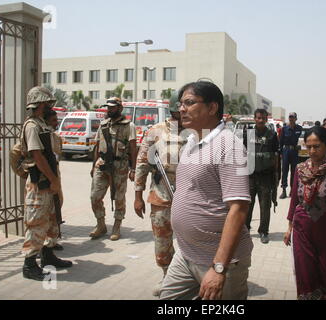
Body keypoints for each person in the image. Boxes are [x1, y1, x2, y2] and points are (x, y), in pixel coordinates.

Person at [160, 81, 253, 300]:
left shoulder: (229, 146)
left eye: (189, 103)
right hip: (186, 253)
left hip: (219, 262)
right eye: (181, 103)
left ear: (212, 108)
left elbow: (238, 209)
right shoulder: (192, 141)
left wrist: (219, 268)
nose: (181, 108)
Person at [283, 126, 326, 300]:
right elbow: (294, 201)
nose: (312, 151)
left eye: (317, 146)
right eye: (309, 146)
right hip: (302, 232)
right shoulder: (300, 169)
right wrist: (289, 227)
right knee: (306, 277)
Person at [134, 93, 187, 296]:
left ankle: (187, 277)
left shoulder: (196, 132)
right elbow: (141, 163)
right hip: (161, 194)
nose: (183, 112)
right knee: (162, 241)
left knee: (189, 239)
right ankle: (167, 276)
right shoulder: (155, 131)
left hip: (188, 196)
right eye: (180, 108)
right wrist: (138, 195)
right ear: (173, 109)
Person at [21, 86, 72, 281]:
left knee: (51, 220)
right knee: (36, 223)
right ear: (40, 103)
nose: (49, 105)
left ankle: (48, 255)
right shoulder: (32, 126)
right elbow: (37, 156)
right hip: (40, 183)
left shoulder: (42, 124)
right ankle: (29, 264)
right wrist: (53, 179)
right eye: (46, 102)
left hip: (47, 183)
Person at [89, 97, 137, 241]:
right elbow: (97, 146)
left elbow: (133, 149)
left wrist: (133, 169)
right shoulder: (103, 124)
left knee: (119, 198)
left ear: (120, 108)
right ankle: (101, 224)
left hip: (119, 166)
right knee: (94, 196)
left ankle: (117, 226)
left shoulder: (129, 126)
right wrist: (93, 165)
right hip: (102, 164)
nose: (109, 110)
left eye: (112, 107)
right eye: (108, 107)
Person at [243, 109, 280, 244]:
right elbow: (243, 153)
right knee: (247, 205)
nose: (260, 120)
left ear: (266, 119)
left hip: (265, 177)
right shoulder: (248, 133)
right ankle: (245, 230)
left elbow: (276, 156)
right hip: (250, 176)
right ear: (254, 118)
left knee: (265, 206)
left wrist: (277, 177)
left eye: (263, 118)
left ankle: (264, 231)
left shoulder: (272, 135)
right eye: (258, 118)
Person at [43, 109, 64, 251]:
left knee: (57, 206)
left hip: (55, 177)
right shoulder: (39, 136)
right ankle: (40, 245)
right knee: (43, 212)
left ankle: (52, 241)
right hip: (43, 179)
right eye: (53, 121)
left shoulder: (56, 137)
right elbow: (16, 153)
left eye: (57, 120)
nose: (56, 123)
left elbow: (58, 155)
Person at [279, 112, 303, 199]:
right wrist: (281, 153)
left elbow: (302, 140)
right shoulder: (284, 129)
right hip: (286, 151)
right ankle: (284, 190)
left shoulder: (299, 129)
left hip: (295, 152)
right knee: (284, 171)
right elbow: (281, 142)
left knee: (294, 171)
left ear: (296, 118)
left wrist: (301, 146)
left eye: (292, 117)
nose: (291, 118)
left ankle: (292, 191)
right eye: (290, 117)